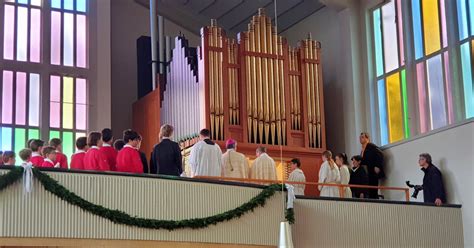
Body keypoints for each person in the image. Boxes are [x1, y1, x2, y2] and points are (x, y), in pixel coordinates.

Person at [359, 132, 385, 199]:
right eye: (360, 137)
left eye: (362, 137)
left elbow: (380, 154)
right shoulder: (362, 149)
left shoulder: (371, 146)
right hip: (366, 172)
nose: (360, 138)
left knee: (373, 189)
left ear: (367, 138)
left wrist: (377, 166)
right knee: (368, 190)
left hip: (372, 171)